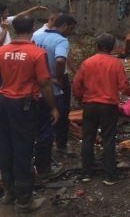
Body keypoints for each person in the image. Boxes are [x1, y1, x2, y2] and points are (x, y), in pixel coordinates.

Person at [0, 16, 59, 213]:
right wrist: (53, 107)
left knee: (6, 147)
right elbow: (45, 83)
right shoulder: (36, 53)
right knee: (23, 150)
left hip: (4, 103)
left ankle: (9, 192)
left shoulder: (2, 51)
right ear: (32, 28)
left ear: (14, 29)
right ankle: (24, 200)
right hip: (23, 105)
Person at [73, 33, 130, 185]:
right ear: (112, 47)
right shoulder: (116, 63)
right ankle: (109, 176)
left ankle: (86, 173)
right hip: (109, 106)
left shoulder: (88, 62)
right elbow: (124, 86)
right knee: (108, 139)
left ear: (97, 46)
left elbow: (76, 83)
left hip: (90, 105)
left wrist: (79, 97)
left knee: (88, 138)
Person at [32, 14, 76, 179]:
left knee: (39, 123)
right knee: (55, 118)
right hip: (53, 84)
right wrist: (57, 78)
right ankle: (45, 166)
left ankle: (39, 158)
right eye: (71, 29)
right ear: (65, 26)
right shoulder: (61, 40)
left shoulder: (37, 36)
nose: (72, 32)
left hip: (36, 84)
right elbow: (60, 61)